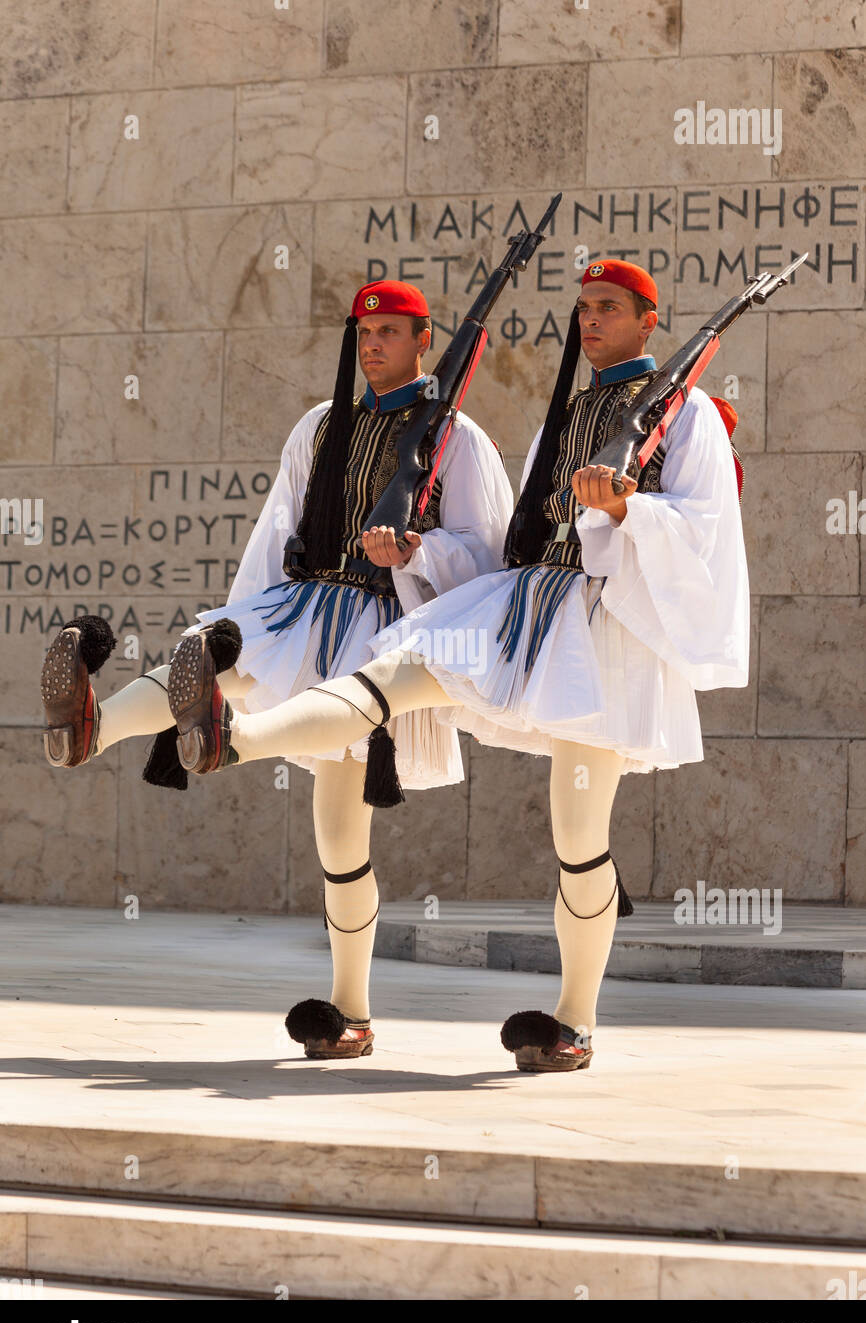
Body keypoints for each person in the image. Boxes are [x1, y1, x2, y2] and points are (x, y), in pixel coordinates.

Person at [164, 257, 750, 1075]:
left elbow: (707, 532)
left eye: (608, 309)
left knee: (578, 836)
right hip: (525, 602)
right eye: (583, 309)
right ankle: (235, 740)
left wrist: (628, 508)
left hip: (604, 632)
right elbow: (523, 523)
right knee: (389, 674)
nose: (590, 322)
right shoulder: (573, 411)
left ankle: (574, 1022)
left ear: (651, 321)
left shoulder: (686, 418)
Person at [40, 280, 513, 1059]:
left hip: (379, 628)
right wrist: (238, 623)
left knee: (338, 838)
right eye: (364, 333)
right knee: (200, 663)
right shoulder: (322, 425)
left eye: (390, 333)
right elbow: (276, 530)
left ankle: (350, 1010)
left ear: (425, 343)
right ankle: (92, 728)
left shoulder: (459, 438)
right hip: (301, 605)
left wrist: (418, 550)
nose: (372, 346)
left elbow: (486, 554)